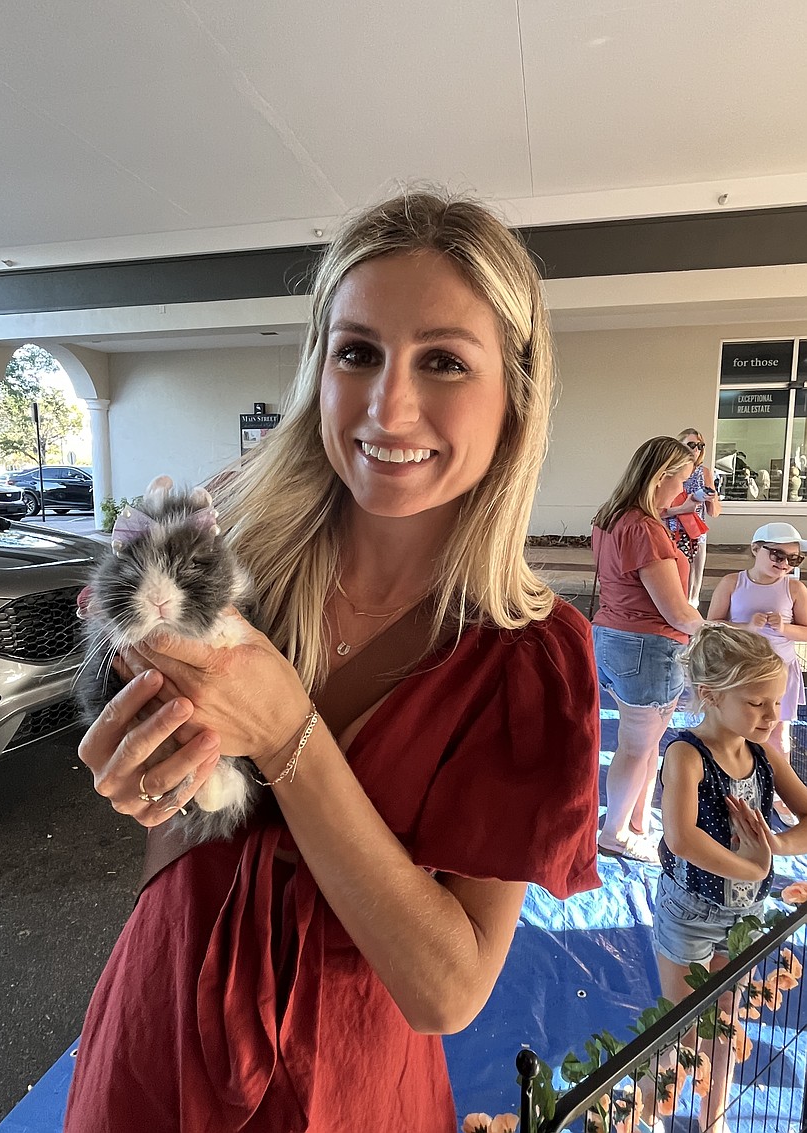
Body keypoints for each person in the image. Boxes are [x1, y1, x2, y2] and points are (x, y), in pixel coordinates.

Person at [64, 191, 602, 1132]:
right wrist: (137, 750)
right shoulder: (236, 544)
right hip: (161, 1019)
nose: (389, 405)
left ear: (515, 394)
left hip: (347, 1079)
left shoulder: (531, 656)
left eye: (443, 360)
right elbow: (155, 766)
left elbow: (448, 990)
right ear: (319, 366)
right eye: (357, 352)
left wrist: (286, 732)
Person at [650, 624, 807, 1133]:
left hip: (746, 914)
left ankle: (712, 1117)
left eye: (776, 701)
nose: (773, 715)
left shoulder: (764, 754)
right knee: (680, 1029)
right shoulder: (686, 754)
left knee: (725, 1021)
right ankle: (648, 1113)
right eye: (757, 703)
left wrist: (775, 845)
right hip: (690, 912)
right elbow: (682, 838)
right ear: (712, 695)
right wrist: (753, 867)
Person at [591, 437, 705, 864]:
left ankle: (636, 823)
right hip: (647, 648)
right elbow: (676, 612)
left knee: (644, 741)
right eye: (682, 479)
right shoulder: (645, 528)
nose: (683, 489)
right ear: (661, 477)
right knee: (637, 747)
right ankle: (615, 834)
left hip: (613, 639)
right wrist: (718, 633)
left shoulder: (610, 518)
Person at [707, 522, 807, 761]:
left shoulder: (794, 588)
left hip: (780, 672)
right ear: (755, 549)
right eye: (777, 555)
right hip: (739, 671)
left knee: (776, 734)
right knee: (733, 729)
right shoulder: (732, 582)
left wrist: (784, 628)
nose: (784, 563)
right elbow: (711, 626)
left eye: (793, 559)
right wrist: (747, 627)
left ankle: (777, 783)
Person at [661, 428, 721, 607]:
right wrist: (682, 509)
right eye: (691, 445)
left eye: (700, 446)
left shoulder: (704, 472)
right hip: (671, 532)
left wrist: (711, 497)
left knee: (693, 588)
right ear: (678, 446)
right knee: (672, 582)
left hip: (696, 535)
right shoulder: (668, 471)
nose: (696, 449)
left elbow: (714, 512)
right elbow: (657, 510)